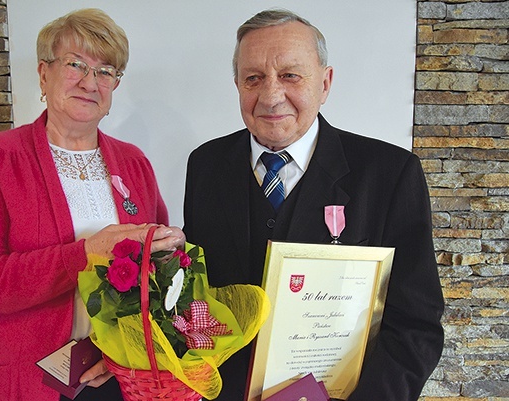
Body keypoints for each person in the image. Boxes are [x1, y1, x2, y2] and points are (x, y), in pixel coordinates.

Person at [183, 9, 444, 401]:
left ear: (325, 83)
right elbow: (195, 298)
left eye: (290, 75)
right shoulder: (204, 165)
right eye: (253, 78)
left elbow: (415, 325)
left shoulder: (390, 174)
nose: (271, 96)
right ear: (237, 84)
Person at [0, 9, 184, 401]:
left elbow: (155, 275)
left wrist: (167, 246)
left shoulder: (134, 162)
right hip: (32, 379)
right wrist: (85, 253)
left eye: (106, 71)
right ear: (44, 74)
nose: (91, 83)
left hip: (120, 374)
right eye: (76, 65)